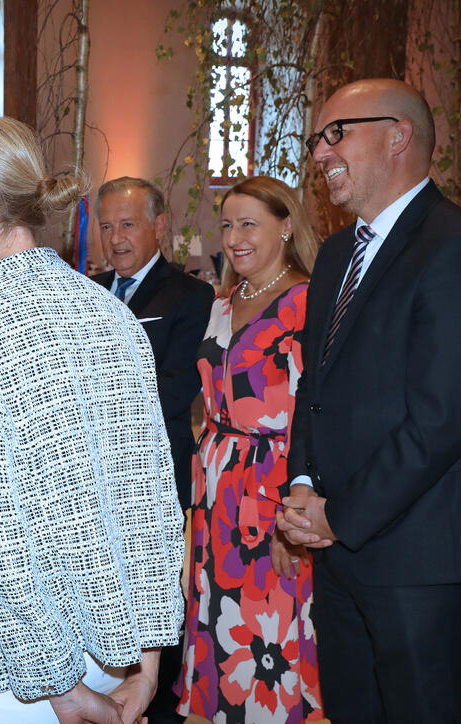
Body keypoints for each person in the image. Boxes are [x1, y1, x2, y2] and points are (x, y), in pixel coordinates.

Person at [0, 113, 184, 724]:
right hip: (113, 644)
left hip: (11, 669)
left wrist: (58, 686)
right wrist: (149, 662)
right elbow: (151, 499)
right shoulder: (107, 313)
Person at [277, 78, 461, 723]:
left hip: (417, 565)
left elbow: (442, 420)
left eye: (338, 133)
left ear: (399, 136)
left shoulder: (455, 246)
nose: (320, 153)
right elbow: (317, 386)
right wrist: (304, 487)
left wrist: (344, 515)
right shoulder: (337, 253)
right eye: (316, 139)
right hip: (338, 553)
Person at [175, 176, 323, 723]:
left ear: (286, 226)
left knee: (269, 629)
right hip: (215, 491)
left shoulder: (307, 302)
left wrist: (294, 516)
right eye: (229, 224)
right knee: (219, 616)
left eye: (250, 224)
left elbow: (314, 416)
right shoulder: (225, 301)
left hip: (272, 489)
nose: (235, 237)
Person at [91, 177, 213, 724]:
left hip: (155, 476)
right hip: (90, 480)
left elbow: (174, 386)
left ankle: (158, 707)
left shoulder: (189, 296)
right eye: (107, 225)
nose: (115, 238)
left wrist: (87, 407)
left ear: (159, 226)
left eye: (128, 224)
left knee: (157, 604)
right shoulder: (85, 289)